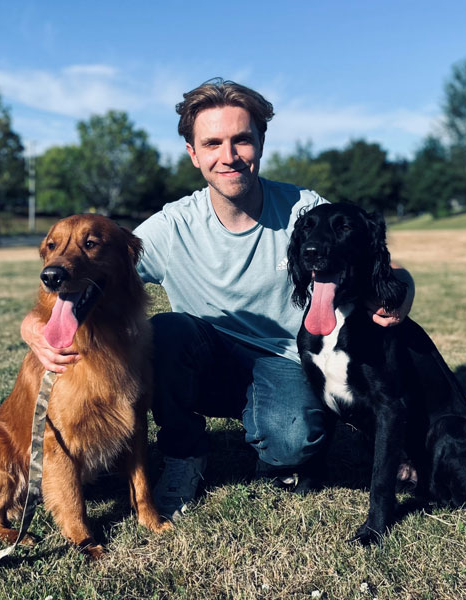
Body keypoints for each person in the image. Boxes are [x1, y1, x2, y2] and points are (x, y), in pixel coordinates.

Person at [21, 78, 414, 520]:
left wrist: (403, 295)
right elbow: (99, 271)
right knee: (166, 331)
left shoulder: (305, 210)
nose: (228, 156)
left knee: (293, 439)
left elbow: (384, 265)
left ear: (261, 142)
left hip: (283, 360)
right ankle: (184, 454)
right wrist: (33, 327)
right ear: (193, 153)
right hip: (201, 353)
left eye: (241, 140)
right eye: (212, 143)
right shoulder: (170, 226)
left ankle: (273, 437)